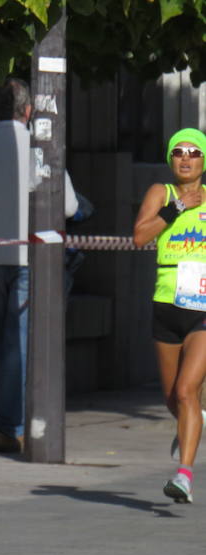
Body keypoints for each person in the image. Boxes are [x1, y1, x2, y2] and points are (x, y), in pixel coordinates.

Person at [0, 79, 78, 454]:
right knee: (21, 344)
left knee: (0, 344)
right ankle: (11, 423)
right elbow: (71, 205)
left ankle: (8, 420)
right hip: (30, 258)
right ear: (28, 111)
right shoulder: (40, 147)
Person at [132, 127, 206, 504]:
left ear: (204, 160)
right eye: (179, 151)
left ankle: (184, 475)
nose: (187, 157)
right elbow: (140, 237)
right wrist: (178, 207)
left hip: (203, 310)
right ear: (170, 158)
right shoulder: (162, 193)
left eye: (195, 151)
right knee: (171, 398)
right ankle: (194, 420)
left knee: (186, 390)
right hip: (166, 305)